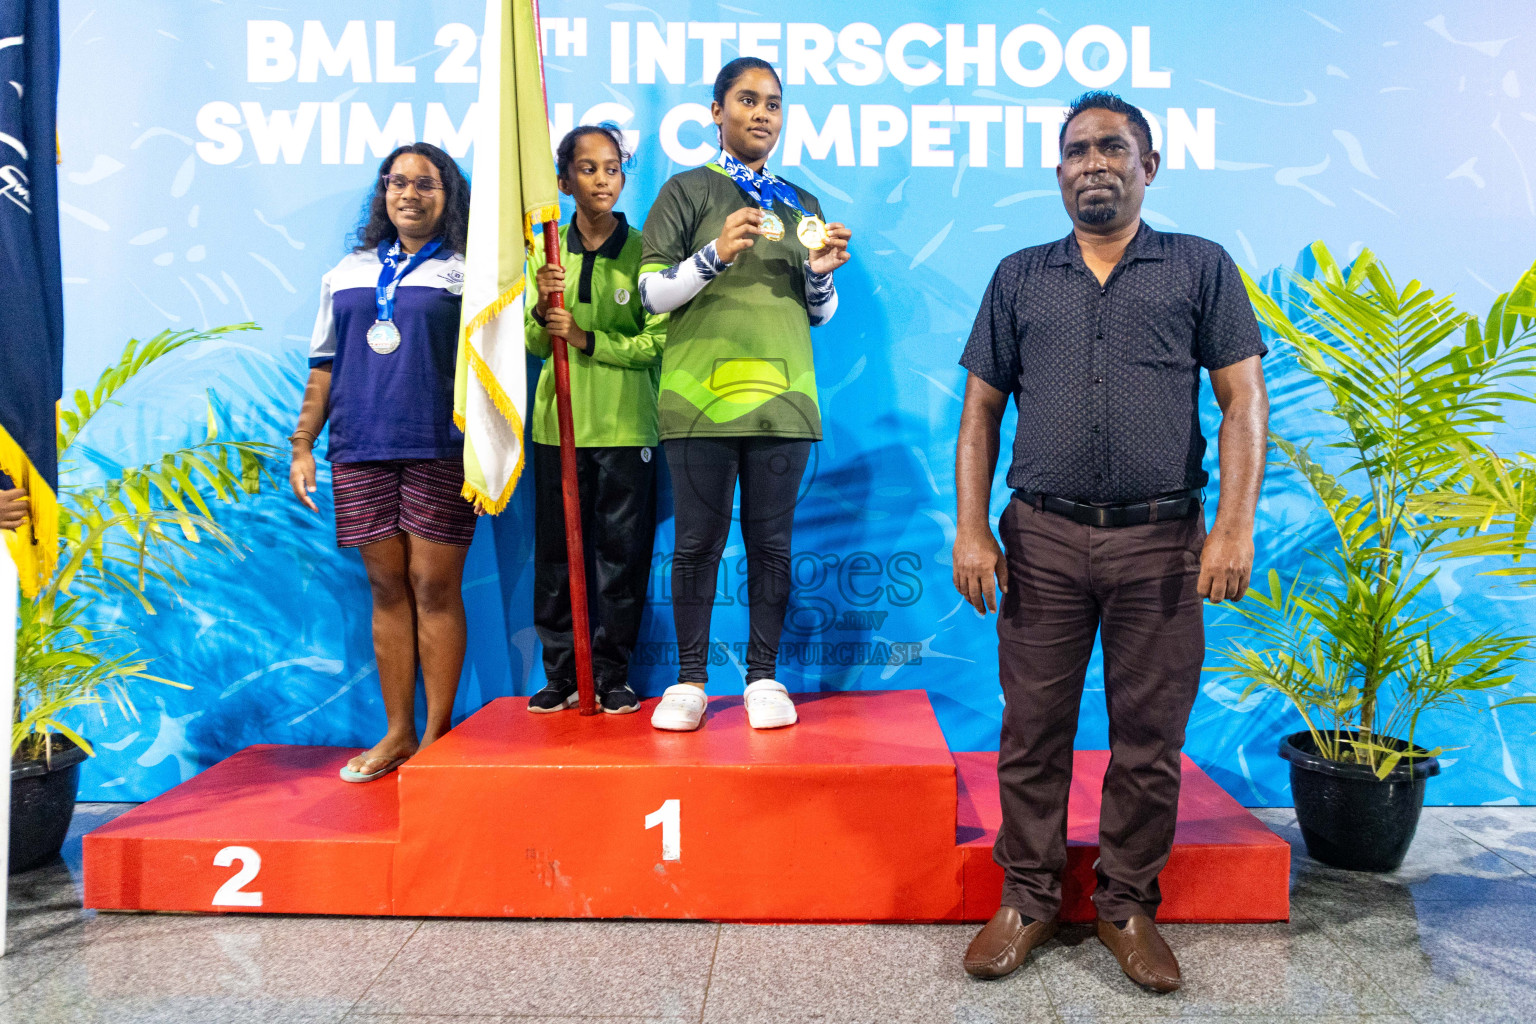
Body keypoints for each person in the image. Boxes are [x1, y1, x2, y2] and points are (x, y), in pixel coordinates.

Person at [953, 92, 1268, 992]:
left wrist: (1233, 526)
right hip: (1041, 539)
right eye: (1078, 151)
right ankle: (1029, 898)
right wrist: (972, 527)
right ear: (1059, 173)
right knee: (1033, 731)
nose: (1095, 163)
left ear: (1149, 166)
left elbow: (1243, 400)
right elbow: (981, 412)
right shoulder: (1019, 276)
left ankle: (1127, 904)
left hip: (1162, 543)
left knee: (1148, 739)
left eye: (1113, 149)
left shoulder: (1199, 268)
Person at [638, 56, 851, 732]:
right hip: (697, 403)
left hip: (783, 403)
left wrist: (819, 273)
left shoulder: (800, 203)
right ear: (717, 111)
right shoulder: (686, 191)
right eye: (748, 100)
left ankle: (764, 676)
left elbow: (820, 311)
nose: (763, 114)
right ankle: (690, 681)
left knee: (773, 548)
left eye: (774, 104)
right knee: (697, 544)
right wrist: (714, 257)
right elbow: (650, 294)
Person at [288, 142, 478, 783]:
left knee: (434, 587)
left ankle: (437, 735)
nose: (410, 193)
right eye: (398, 181)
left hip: (439, 447)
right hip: (360, 449)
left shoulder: (467, 272)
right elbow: (324, 365)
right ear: (383, 192)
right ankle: (397, 733)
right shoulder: (346, 270)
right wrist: (303, 442)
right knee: (387, 590)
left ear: (448, 195)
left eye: (427, 183)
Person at [524, 124, 667, 715]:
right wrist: (540, 305)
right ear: (563, 180)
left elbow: (656, 343)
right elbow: (536, 342)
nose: (601, 179)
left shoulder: (645, 252)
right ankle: (561, 674)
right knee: (557, 557)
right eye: (587, 169)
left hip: (625, 428)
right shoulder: (544, 250)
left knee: (620, 559)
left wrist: (584, 338)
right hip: (557, 430)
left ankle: (611, 675)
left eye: (611, 168)